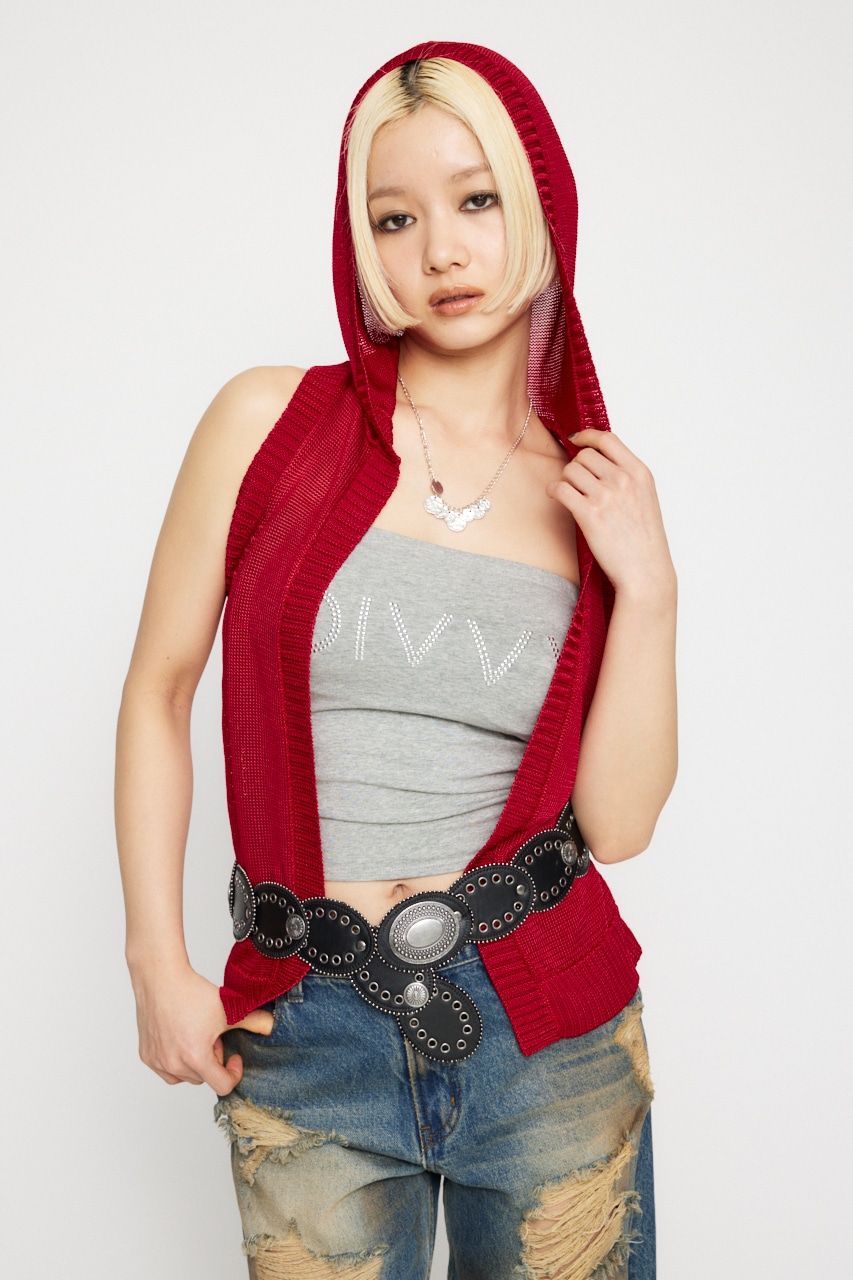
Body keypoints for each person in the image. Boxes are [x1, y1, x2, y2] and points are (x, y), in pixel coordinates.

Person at [116, 41, 676, 1280]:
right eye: (394, 216)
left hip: (547, 1031)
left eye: (476, 200)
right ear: (359, 242)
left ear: (539, 206)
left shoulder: (589, 493)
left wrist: (650, 589)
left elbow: (619, 823)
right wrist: (156, 957)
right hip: (308, 1023)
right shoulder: (267, 423)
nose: (441, 251)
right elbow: (159, 688)